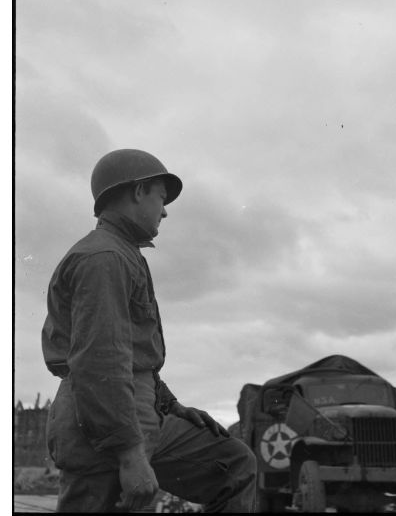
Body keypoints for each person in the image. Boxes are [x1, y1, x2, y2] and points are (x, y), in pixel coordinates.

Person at [41, 149, 256, 513]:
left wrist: (170, 405)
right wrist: (128, 455)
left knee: (233, 464)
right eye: (161, 196)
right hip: (100, 417)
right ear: (139, 191)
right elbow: (100, 361)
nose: (165, 209)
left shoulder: (123, 254)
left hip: (136, 408)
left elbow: (135, 355)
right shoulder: (104, 259)